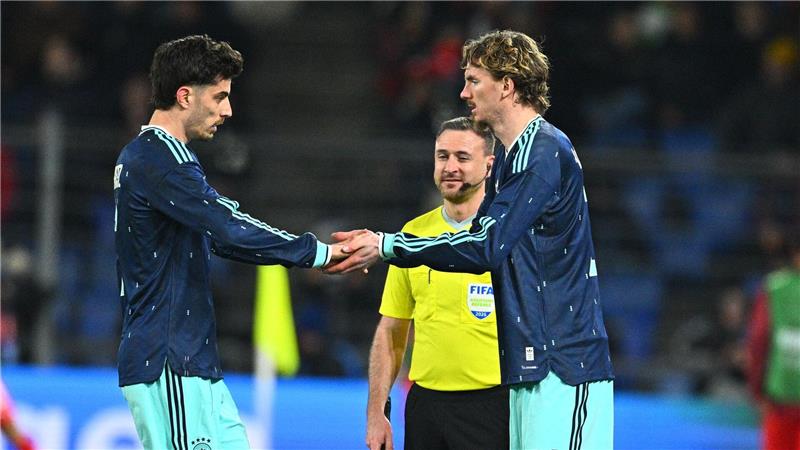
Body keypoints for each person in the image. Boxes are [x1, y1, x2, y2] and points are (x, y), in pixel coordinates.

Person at [328, 30, 614, 449]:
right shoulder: (512, 159)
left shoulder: (544, 151)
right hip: (531, 365)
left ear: (507, 85)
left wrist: (388, 246)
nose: (464, 92)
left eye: (474, 80)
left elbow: (485, 244)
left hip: (566, 365)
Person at [114, 35, 345, 450]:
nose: (228, 110)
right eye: (219, 97)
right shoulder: (158, 158)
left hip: (189, 358)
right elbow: (227, 226)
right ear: (185, 96)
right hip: (169, 360)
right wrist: (316, 252)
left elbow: (221, 238)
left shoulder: (159, 157)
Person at [366, 117, 508, 450]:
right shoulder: (412, 235)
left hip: (494, 405)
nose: (450, 166)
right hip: (426, 406)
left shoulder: (505, 235)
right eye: (442, 156)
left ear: (489, 165)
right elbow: (391, 330)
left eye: (462, 157)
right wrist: (376, 412)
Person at [746, 237, 800, 450]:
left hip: (779, 396)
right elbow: (758, 341)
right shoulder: (773, 288)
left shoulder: (773, 287)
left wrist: (757, 390)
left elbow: (758, 341)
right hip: (779, 401)